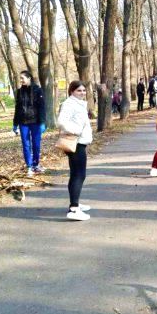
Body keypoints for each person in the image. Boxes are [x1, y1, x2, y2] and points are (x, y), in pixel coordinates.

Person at [57, 81, 93, 221]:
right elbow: (61, 121)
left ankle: (75, 203)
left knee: (75, 174)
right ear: (71, 91)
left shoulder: (78, 103)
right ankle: (74, 209)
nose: (82, 93)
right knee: (79, 175)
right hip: (75, 143)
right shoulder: (69, 104)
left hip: (80, 143)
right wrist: (76, 131)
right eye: (79, 90)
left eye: (84, 90)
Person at [13, 70, 46, 176]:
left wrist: (42, 122)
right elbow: (17, 108)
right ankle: (29, 166)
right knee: (26, 145)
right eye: (20, 78)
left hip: (36, 122)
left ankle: (36, 165)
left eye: (22, 78)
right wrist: (15, 123)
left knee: (36, 145)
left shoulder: (38, 90)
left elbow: (42, 107)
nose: (21, 80)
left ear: (29, 78)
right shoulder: (19, 91)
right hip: (23, 123)